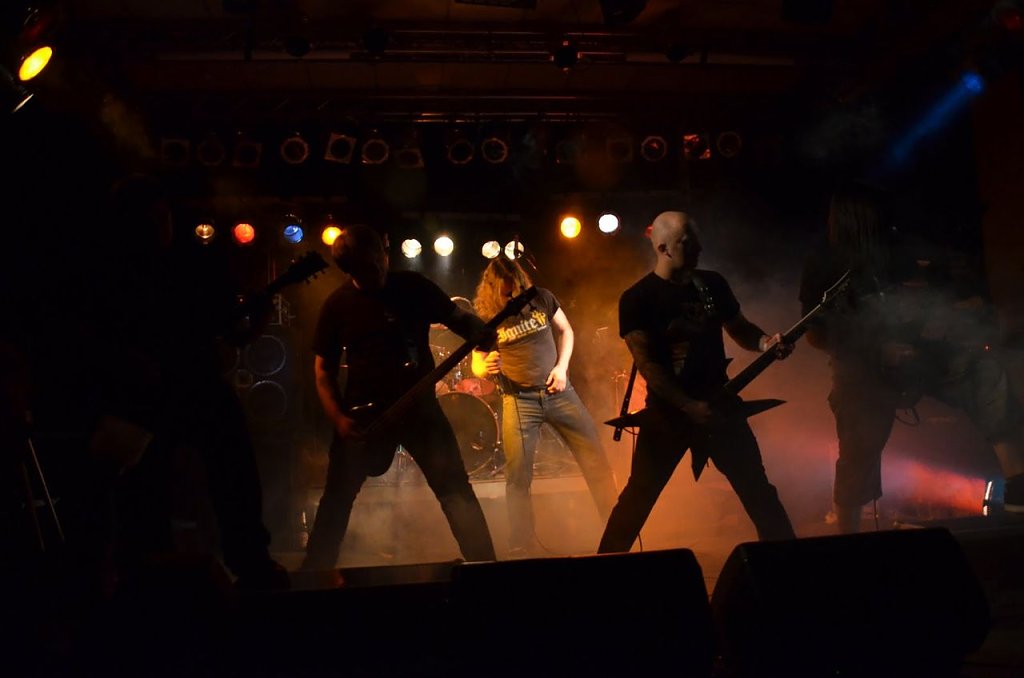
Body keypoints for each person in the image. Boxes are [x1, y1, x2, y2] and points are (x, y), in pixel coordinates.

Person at [87, 172, 289, 590]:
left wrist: (259, 320)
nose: (161, 227)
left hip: (191, 388)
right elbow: (90, 337)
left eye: (163, 218)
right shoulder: (109, 274)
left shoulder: (186, 269)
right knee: (149, 484)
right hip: (144, 397)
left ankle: (247, 559)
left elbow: (227, 335)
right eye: (151, 219)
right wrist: (129, 361)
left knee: (231, 470)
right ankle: (147, 567)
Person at [799, 183, 1024, 533]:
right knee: (859, 446)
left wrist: (955, 312)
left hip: (922, 355)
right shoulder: (825, 263)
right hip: (865, 364)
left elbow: (945, 292)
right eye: (870, 216)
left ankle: (1019, 495)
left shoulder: (902, 249)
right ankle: (849, 537)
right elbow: (815, 334)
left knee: (984, 373)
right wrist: (877, 349)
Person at [598, 210, 797, 554]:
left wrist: (766, 342)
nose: (699, 248)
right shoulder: (637, 298)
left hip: (720, 406)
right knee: (637, 499)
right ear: (663, 248)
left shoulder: (712, 284)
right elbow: (649, 365)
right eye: (688, 242)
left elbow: (740, 328)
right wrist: (689, 406)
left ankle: (789, 566)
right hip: (668, 415)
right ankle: (602, 571)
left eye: (697, 240)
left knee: (759, 491)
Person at [301, 224, 496, 570]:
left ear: (385, 251)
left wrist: (479, 332)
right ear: (349, 268)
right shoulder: (337, 306)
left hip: (419, 408)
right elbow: (323, 372)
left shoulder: (413, 287)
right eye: (367, 266)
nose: (377, 268)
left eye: (380, 258)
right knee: (337, 498)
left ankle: (486, 568)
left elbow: (457, 318)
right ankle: (314, 575)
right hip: (364, 417)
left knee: (454, 488)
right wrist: (340, 419)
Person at [470, 257, 618, 557]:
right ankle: (520, 545)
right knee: (517, 478)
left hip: (560, 394)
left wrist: (562, 368)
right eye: (506, 293)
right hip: (518, 401)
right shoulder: (487, 316)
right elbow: (476, 363)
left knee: (595, 460)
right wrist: (486, 366)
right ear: (493, 289)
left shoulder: (542, 298)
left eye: (517, 289)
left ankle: (618, 531)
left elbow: (567, 331)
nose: (514, 297)